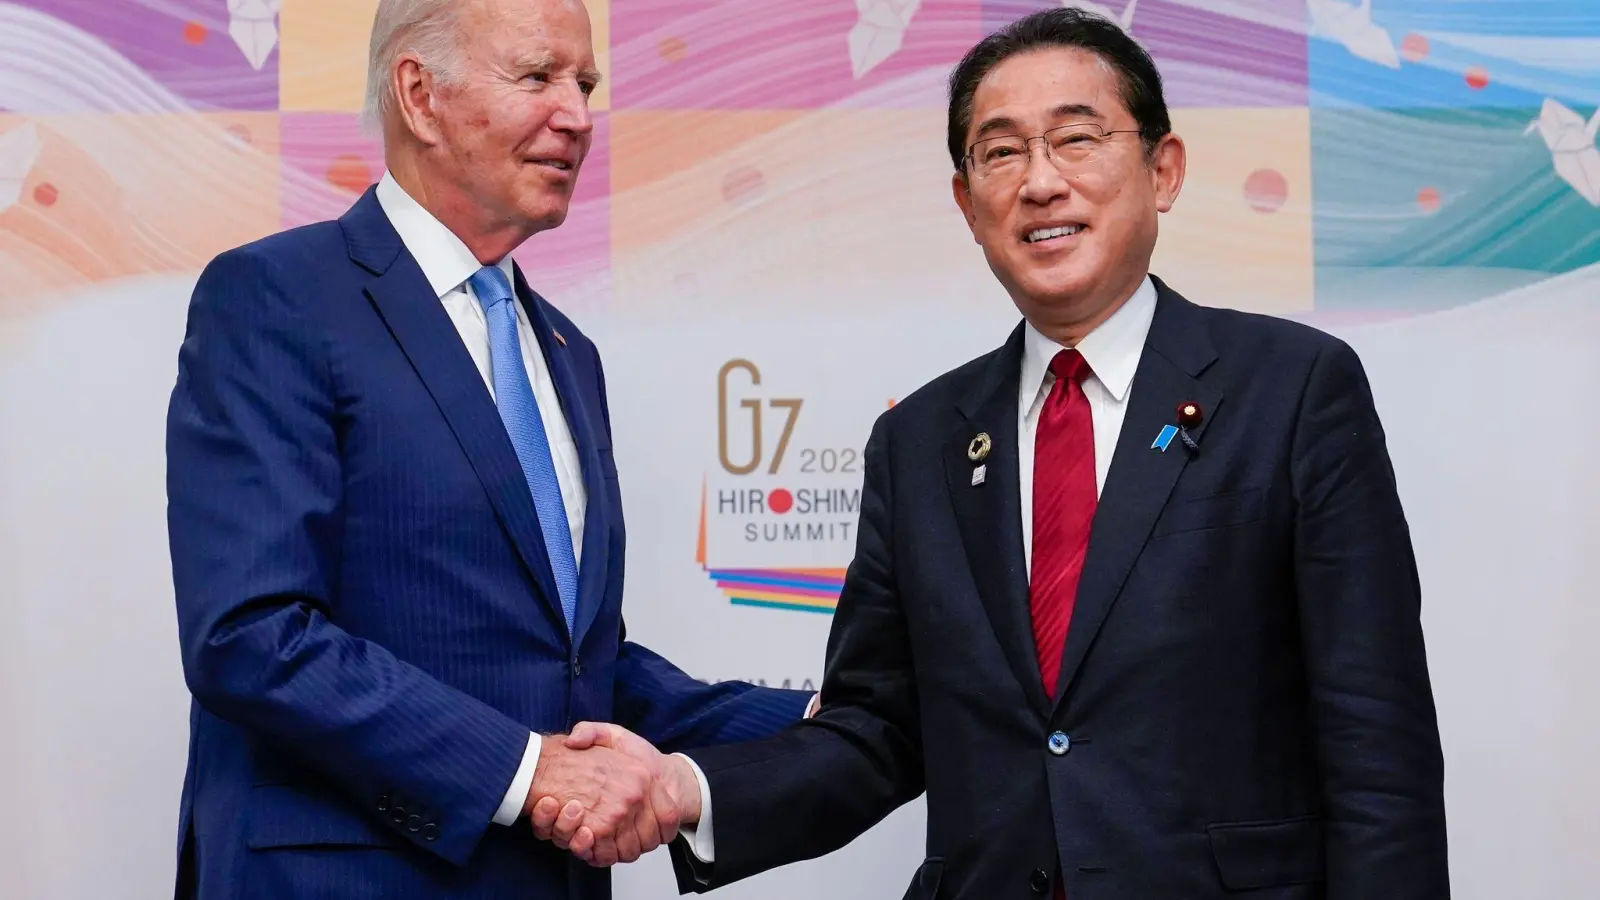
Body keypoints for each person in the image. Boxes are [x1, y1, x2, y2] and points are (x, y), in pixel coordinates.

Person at [547, 8, 1451, 899]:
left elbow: (1377, 746)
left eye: (1078, 139)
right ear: (967, 203)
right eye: (1002, 151)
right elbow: (879, 730)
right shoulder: (920, 442)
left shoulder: (1292, 390)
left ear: (1163, 170)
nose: (1041, 183)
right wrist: (690, 790)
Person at [163, 0, 811, 896]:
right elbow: (252, 634)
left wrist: (832, 718)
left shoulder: (567, 354)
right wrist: (527, 772)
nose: (579, 115)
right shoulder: (276, 297)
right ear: (419, 95)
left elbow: (581, 677)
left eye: (584, 84)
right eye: (539, 77)